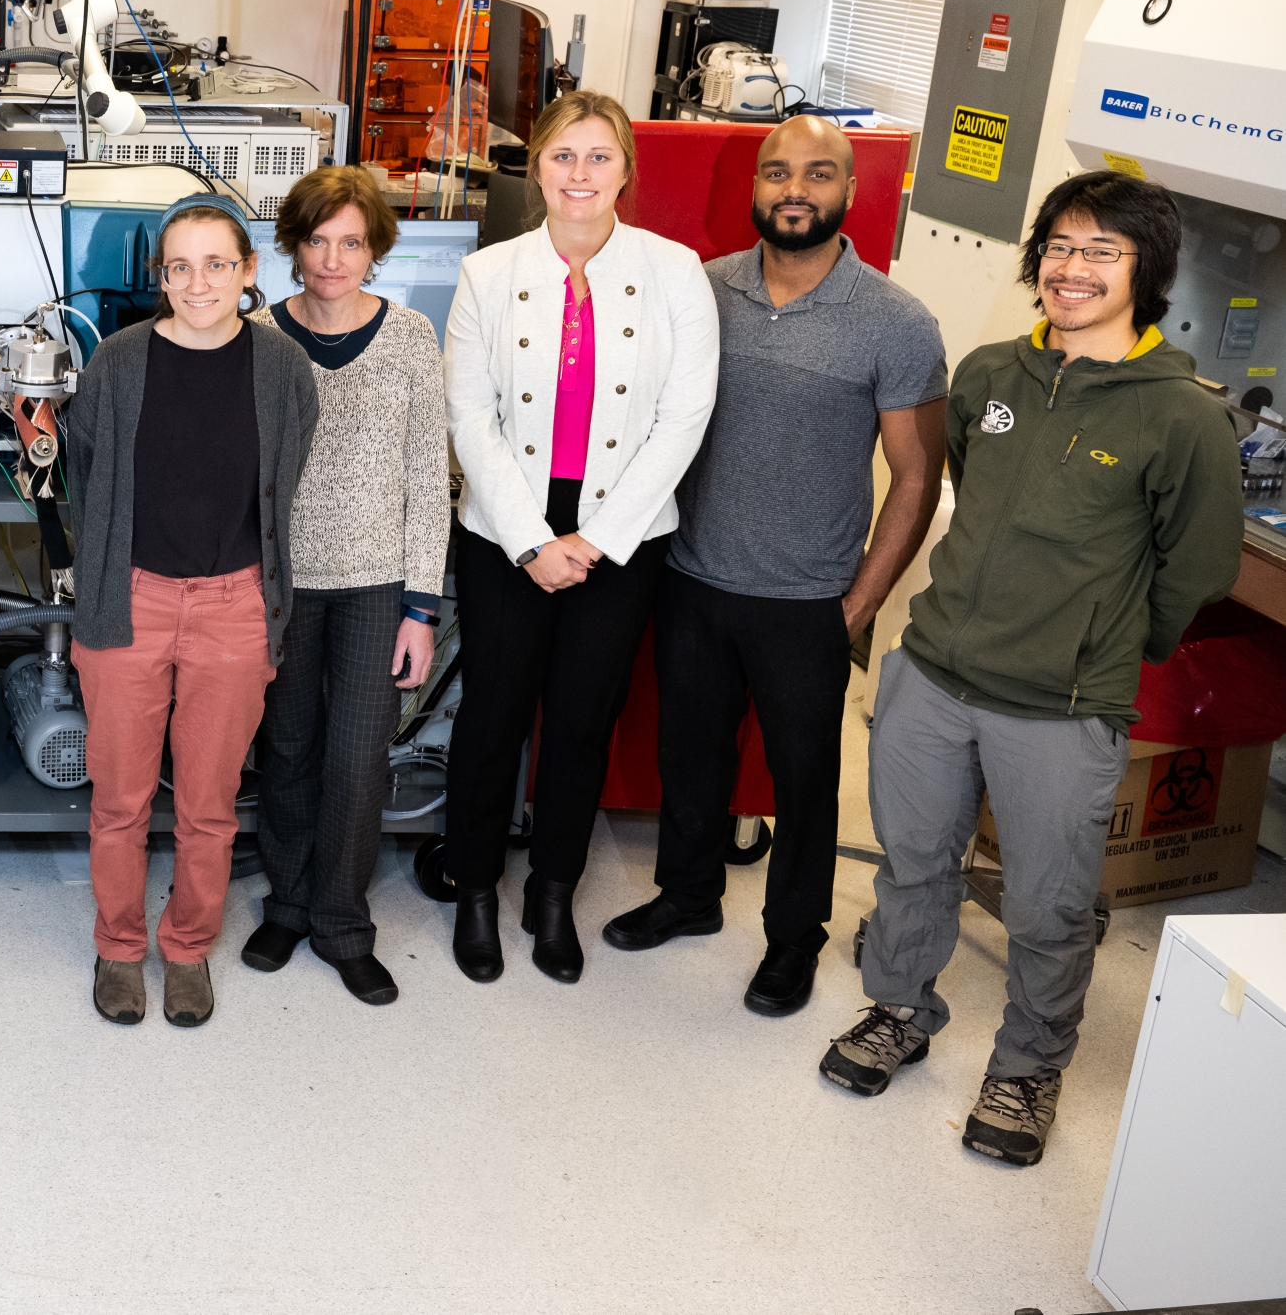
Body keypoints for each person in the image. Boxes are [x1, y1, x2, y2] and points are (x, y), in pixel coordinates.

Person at [822, 170, 1240, 1168]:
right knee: (913, 863)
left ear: (1147, 271)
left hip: (1061, 704)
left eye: (1100, 250)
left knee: (1049, 902)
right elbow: (965, 475)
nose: (1071, 266)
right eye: (1058, 244)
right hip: (934, 669)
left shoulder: (1179, 416)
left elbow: (1197, 566)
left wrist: (1099, 644)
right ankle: (898, 1007)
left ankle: (1027, 1063)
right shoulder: (989, 373)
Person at [604, 118, 947, 1017]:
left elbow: (917, 474)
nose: (795, 188)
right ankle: (688, 895)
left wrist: (858, 605)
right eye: (778, 172)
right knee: (692, 756)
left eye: (819, 173)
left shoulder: (895, 322)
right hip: (691, 575)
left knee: (803, 781)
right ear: (756, 185)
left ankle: (794, 938)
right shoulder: (701, 291)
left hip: (810, 600)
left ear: (849, 192)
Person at [441, 91, 719, 985]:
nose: (580, 175)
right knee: (490, 717)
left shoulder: (678, 272)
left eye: (599, 157)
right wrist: (532, 540)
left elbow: (685, 416)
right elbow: (470, 417)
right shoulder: (489, 274)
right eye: (564, 156)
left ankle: (553, 890)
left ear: (625, 170)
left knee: (580, 723)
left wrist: (594, 539)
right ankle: (476, 887)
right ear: (540, 168)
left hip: (621, 539)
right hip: (504, 532)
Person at [63, 195, 320, 1029]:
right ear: (160, 275)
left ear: (249, 273)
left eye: (218, 263)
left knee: (209, 802)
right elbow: (84, 472)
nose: (198, 281)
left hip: (234, 605)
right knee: (121, 796)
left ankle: (187, 945)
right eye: (180, 265)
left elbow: (289, 469)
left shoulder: (282, 368)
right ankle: (119, 942)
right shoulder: (119, 362)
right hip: (126, 599)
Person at [240, 167, 448, 1006]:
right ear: (292, 245)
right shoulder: (255, 336)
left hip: (376, 586)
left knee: (360, 759)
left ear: (376, 249)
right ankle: (287, 904)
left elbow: (429, 474)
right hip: (281, 585)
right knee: (286, 753)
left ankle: (342, 922)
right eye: (317, 239)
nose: (333, 259)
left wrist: (422, 607)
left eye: (351, 241)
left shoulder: (409, 338)